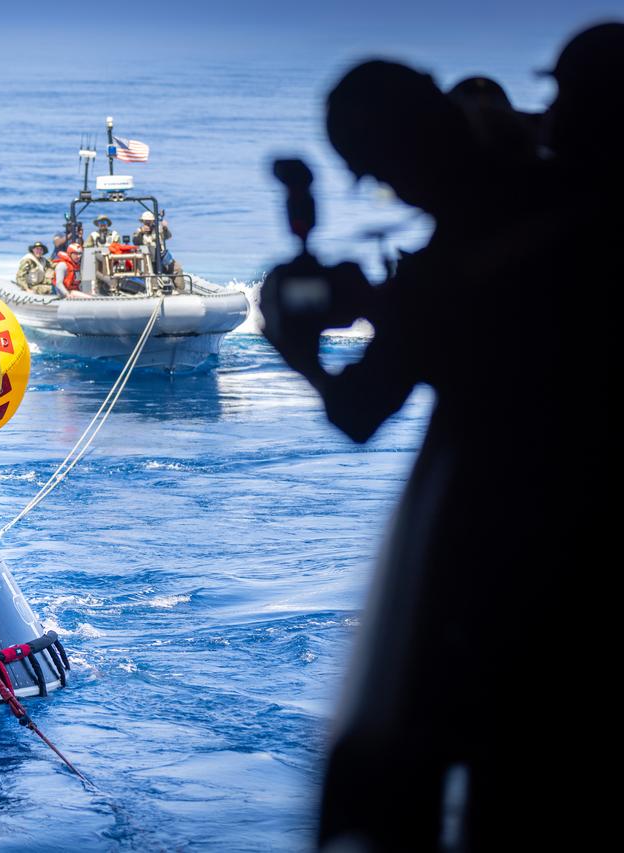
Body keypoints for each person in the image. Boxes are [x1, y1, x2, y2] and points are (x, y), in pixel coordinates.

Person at [261, 57, 574, 850]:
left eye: (377, 171)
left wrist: (299, 354)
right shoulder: (565, 199)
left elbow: (359, 411)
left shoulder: (447, 275)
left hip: (502, 556)